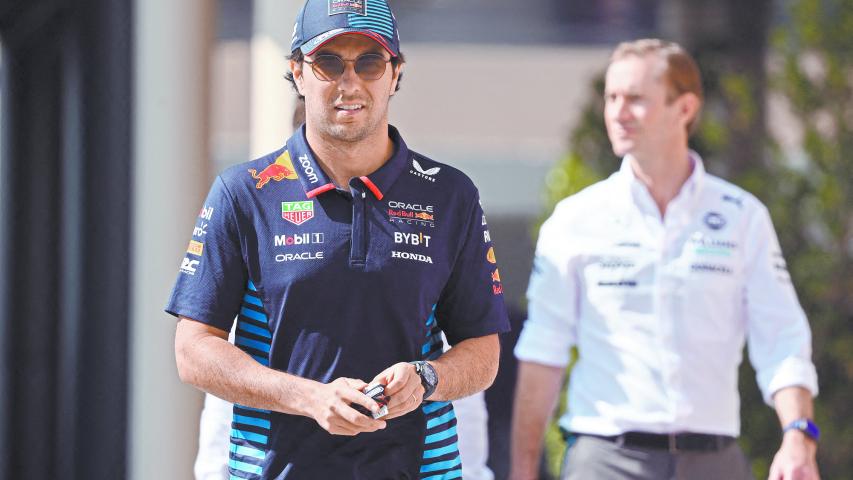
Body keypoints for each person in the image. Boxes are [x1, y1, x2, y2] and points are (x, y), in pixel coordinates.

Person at [167, 0, 510, 477]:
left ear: (395, 74)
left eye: (369, 62)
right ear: (297, 73)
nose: (350, 83)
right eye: (329, 63)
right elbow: (193, 350)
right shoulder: (245, 191)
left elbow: (483, 351)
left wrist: (428, 378)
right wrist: (309, 398)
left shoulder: (450, 194)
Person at [510, 39, 820, 480]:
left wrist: (797, 435)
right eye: (611, 98)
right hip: (606, 459)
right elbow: (543, 351)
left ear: (685, 108)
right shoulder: (576, 219)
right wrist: (523, 472)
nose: (618, 112)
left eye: (635, 99)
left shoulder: (742, 217)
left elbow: (783, 338)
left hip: (714, 460)